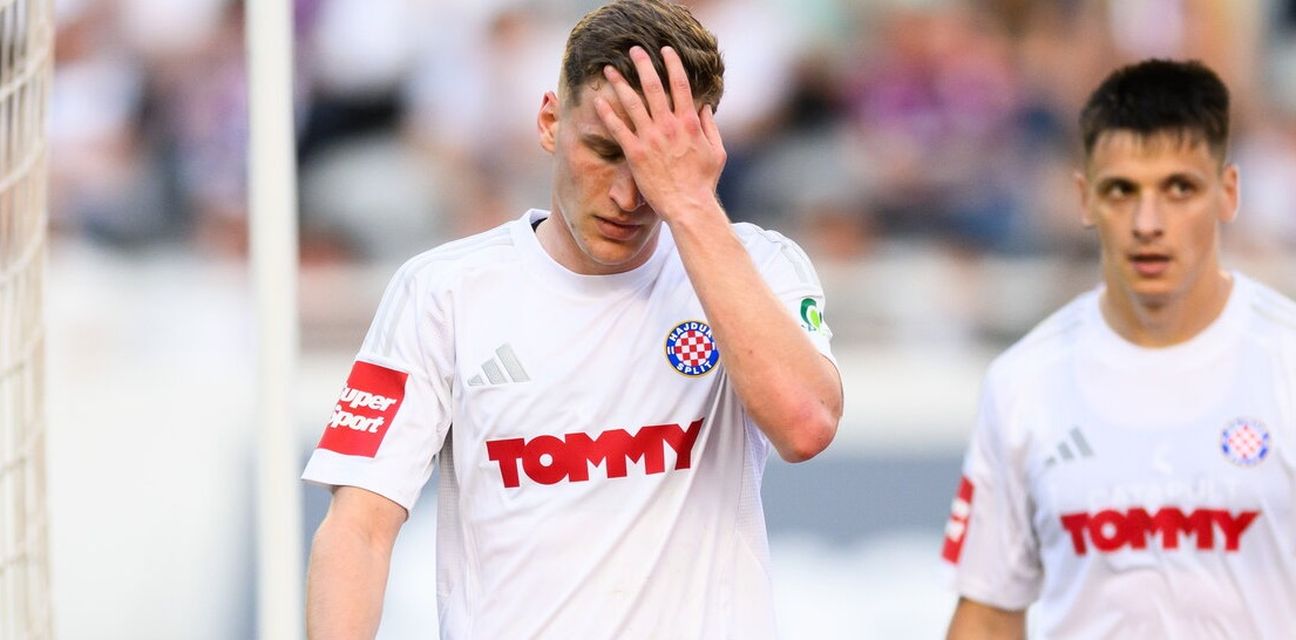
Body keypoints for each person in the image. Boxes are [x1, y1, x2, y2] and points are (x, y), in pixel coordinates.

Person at [301, 1, 843, 638]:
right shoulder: (443, 291)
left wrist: (692, 204)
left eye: (655, 164)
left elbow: (806, 426)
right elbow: (359, 528)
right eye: (605, 151)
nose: (627, 195)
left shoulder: (759, 267)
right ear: (550, 121)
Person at [942, 59, 1296, 639]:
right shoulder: (1025, 381)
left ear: (1228, 193)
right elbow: (987, 612)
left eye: (1179, 188)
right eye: (1121, 191)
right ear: (1085, 200)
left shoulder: (1286, 362)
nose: (1147, 222)